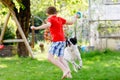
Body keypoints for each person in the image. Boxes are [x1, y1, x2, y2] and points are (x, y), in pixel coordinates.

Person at [31, 6, 78, 79]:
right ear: (56, 12)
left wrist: (36, 28)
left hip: (57, 41)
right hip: (63, 41)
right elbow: (71, 22)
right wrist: (75, 17)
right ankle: (69, 75)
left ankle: (65, 70)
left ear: (47, 13)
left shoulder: (50, 19)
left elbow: (47, 25)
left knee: (50, 57)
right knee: (61, 59)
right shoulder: (60, 19)